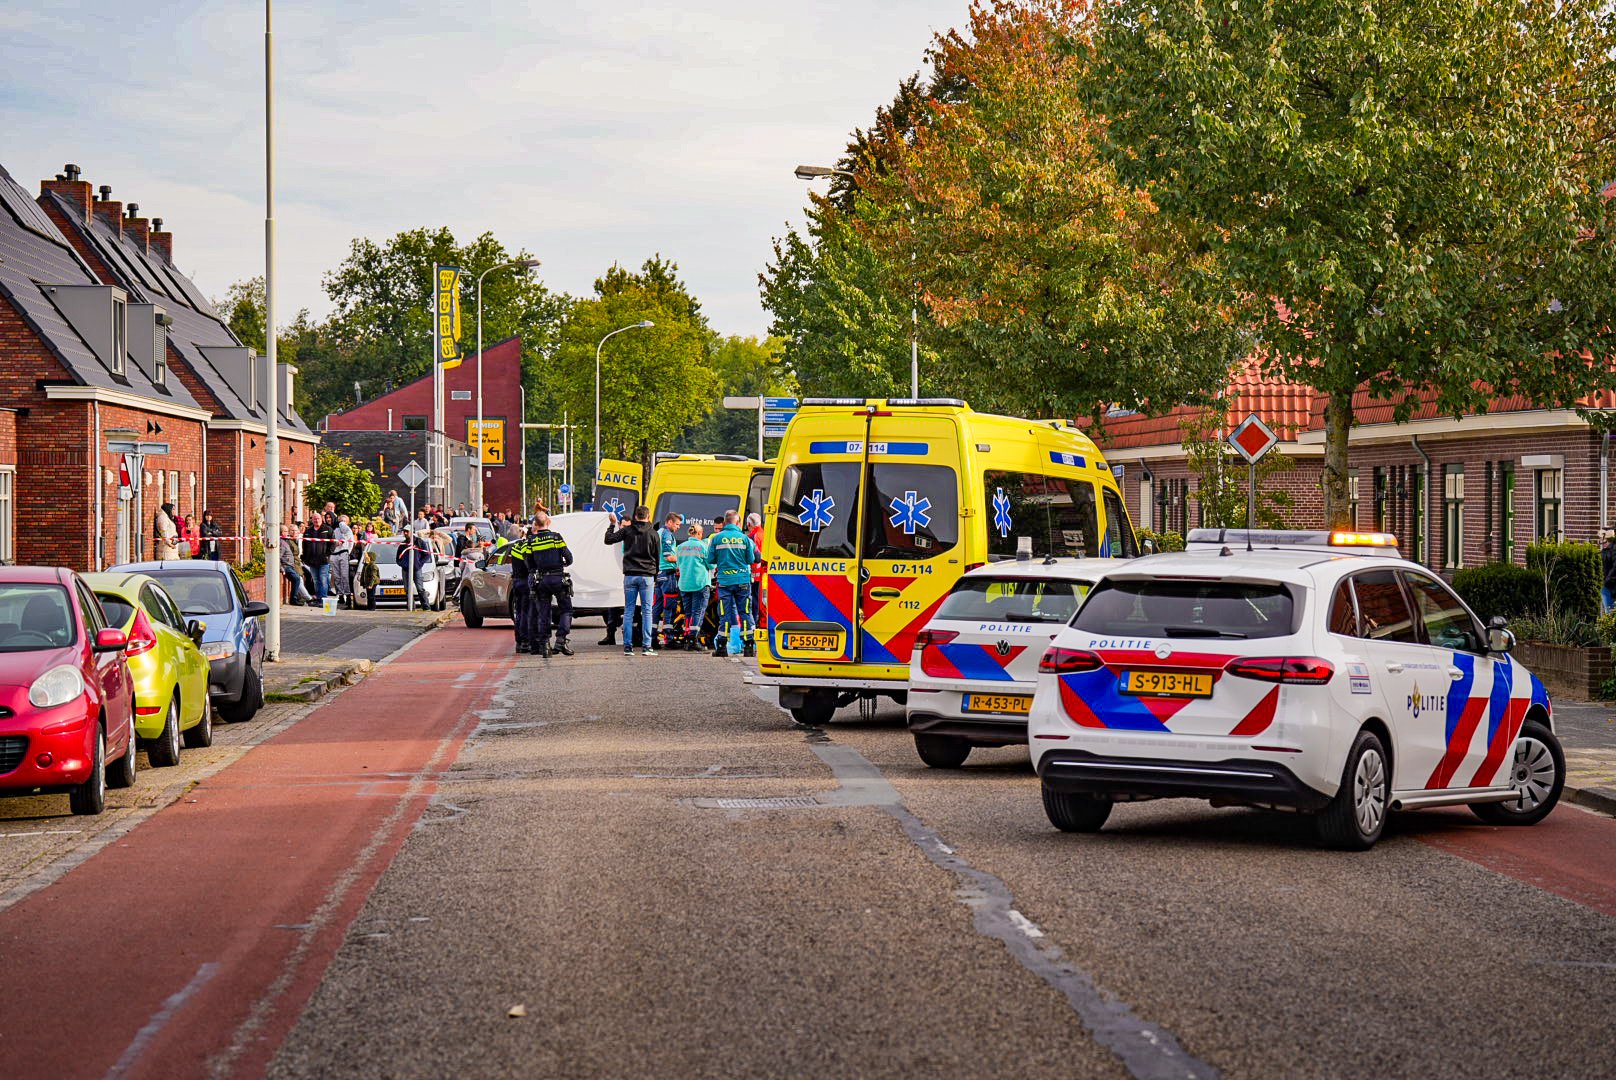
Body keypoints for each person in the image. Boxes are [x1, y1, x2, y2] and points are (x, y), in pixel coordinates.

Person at [605, 504, 660, 656]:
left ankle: (628, 647)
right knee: (647, 611)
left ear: (635, 516)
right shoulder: (653, 534)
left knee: (628, 611)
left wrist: (611, 524)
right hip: (647, 576)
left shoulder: (627, 531)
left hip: (630, 575)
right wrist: (655, 576)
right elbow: (657, 557)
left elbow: (608, 539)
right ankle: (646, 646)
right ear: (648, 516)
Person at [709, 510, 759, 657]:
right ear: (738, 523)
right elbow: (752, 559)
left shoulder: (717, 539)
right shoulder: (745, 539)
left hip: (725, 582)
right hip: (743, 581)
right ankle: (749, 646)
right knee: (745, 612)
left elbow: (710, 560)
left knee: (724, 613)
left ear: (724, 523)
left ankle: (722, 647)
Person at [525, 512, 575, 657]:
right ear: (548, 522)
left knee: (544, 613)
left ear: (536, 523)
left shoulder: (531, 541)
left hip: (541, 580)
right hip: (558, 578)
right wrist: (563, 563)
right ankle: (561, 641)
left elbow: (529, 563)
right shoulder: (556, 537)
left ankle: (545, 645)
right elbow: (569, 557)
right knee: (566, 610)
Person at [675, 521, 713, 651]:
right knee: (698, 612)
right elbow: (711, 565)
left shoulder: (680, 547)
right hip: (699, 583)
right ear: (699, 533)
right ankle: (693, 639)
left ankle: (688, 638)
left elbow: (678, 565)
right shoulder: (703, 546)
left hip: (684, 584)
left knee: (689, 612)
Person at [653, 512, 684, 646]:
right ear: (669, 522)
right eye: (677, 524)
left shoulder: (658, 532)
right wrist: (683, 558)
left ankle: (652, 637)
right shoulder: (666, 534)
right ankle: (669, 638)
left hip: (659, 574)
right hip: (668, 574)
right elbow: (668, 556)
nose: (678, 527)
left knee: (657, 607)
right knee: (670, 607)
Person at [399, 528, 434, 609]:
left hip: (416, 569)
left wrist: (419, 563)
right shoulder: (403, 544)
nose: (405, 533)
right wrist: (403, 564)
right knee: (407, 589)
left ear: (411, 532)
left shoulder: (419, 542)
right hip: (406, 570)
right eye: (404, 532)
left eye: (407, 531)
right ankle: (411, 607)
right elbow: (398, 557)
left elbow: (427, 555)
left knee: (420, 588)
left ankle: (426, 607)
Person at [303, 510, 333, 601]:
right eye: (314, 519)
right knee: (316, 580)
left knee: (323, 579)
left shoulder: (327, 529)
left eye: (318, 518)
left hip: (323, 560)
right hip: (312, 560)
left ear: (321, 519)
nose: (316, 520)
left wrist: (327, 554)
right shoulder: (308, 531)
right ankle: (318, 597)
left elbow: (333, 543)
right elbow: (304, 545)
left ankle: (323, 599)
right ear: (312, 520)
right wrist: (305, 557)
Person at [280, 526, 313, 605]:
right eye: (285, 531)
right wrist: (282, 568)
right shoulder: (283, 542)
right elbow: (278, 557)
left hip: (292, 564)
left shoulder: (286, 541)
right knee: (297, 579)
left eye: (287, 531)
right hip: (287, 566)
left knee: (302, 577)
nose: (287, 533)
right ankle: (298, 599)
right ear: (281, 532)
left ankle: (300, 597)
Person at [745, 511, 765, 626]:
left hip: (753, 574)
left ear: (748, 524)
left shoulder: (751, 537)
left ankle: (753, 623)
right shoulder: (765, 533)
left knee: (753, 599)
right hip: (764, 573)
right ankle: (760, 622)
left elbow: (750, 557)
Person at [331, 514, 355, 608]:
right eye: (340, 520)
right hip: (334, 554)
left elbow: (351, 543)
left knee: (344, 576)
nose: (342, 523)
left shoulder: (347, 530)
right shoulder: (335, 529)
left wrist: (346, 551)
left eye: (344, 521)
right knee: (337, 576)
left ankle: (348, 597)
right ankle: (340, 595)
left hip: (343, 553)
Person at [1602, 530, 1616, 614]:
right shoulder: (1605, 551)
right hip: (1607, 585)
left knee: (1610, 612)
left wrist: (1606, 580)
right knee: (1608, 611)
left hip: (1610, 585)